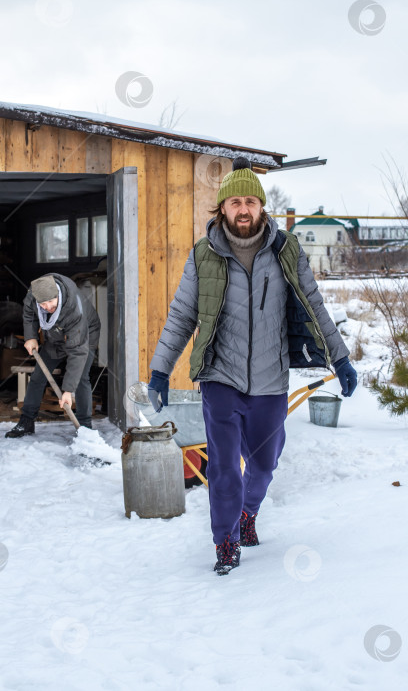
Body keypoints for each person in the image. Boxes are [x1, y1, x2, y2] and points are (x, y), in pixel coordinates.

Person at [147, 156, 357, 576]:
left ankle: (247, 514)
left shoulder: (286, 252)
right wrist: (159, 369)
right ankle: (225, 541)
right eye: (234, 202)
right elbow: (181, 316)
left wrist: (341, 357)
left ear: (261, 207)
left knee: (263, 463)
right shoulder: (204, 255)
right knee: (223, 465)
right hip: (219, 377)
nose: (243, 209)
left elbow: (314, 306)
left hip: (269, 378)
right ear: (222, 208)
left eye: (250, 201)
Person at [5, 273, 101, 438]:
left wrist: (68, 390)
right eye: (43, 304)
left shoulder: (74, 309)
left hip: (84, 334)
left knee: (81, 378)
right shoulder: (33, 296)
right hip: (55, 334)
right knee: (38, 377)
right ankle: (26, 421)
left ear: (58, 295)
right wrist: (31, 337)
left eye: (51, 302)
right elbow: (29, 314)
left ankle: (85, 428)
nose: (48, 307)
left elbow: (77, 351)